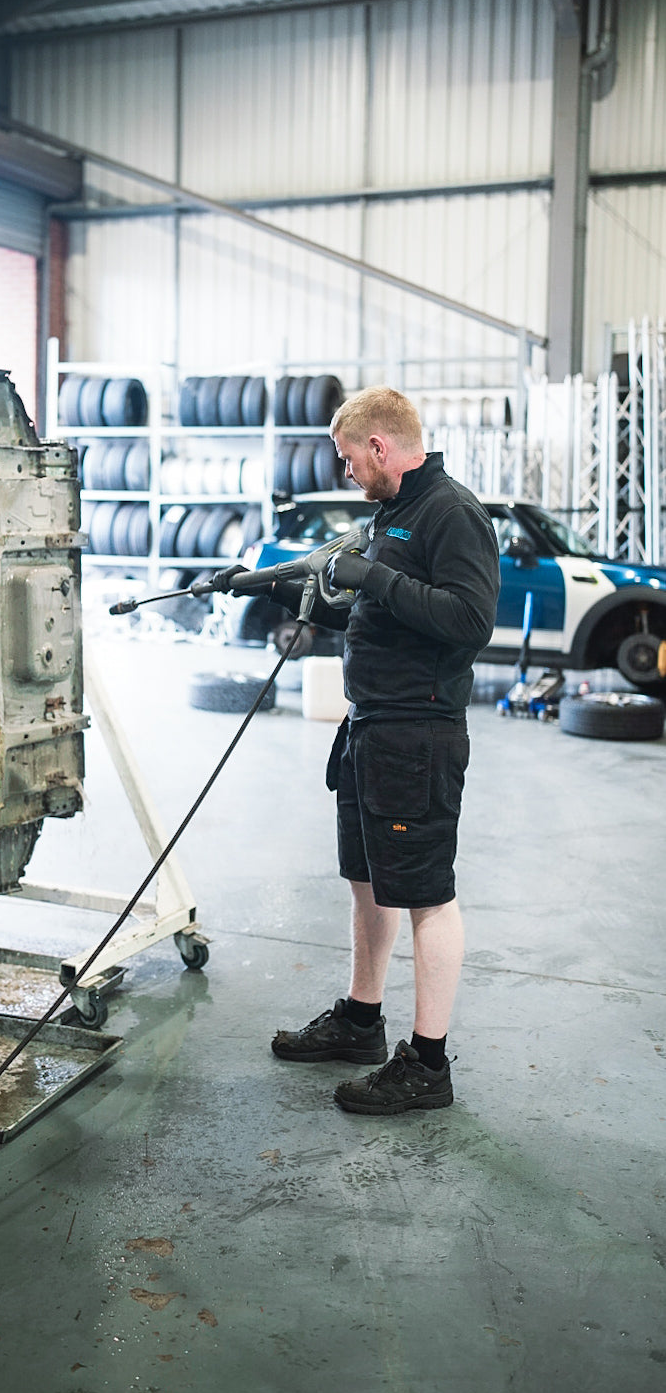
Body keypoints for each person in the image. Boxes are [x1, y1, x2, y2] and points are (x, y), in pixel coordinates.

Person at [270, 386, 500, 1114]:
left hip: (418, 733)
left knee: (426, 893)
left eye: (347, 459)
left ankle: (428, 1064)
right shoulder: (392, 514)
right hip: (370, 727)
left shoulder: (452, 513)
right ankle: (362, 1019)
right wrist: (300, 598)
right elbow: (385, 617)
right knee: (368, 881)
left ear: (380, 446)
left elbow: (468, 620)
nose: (346, 472)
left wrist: (374, 575)